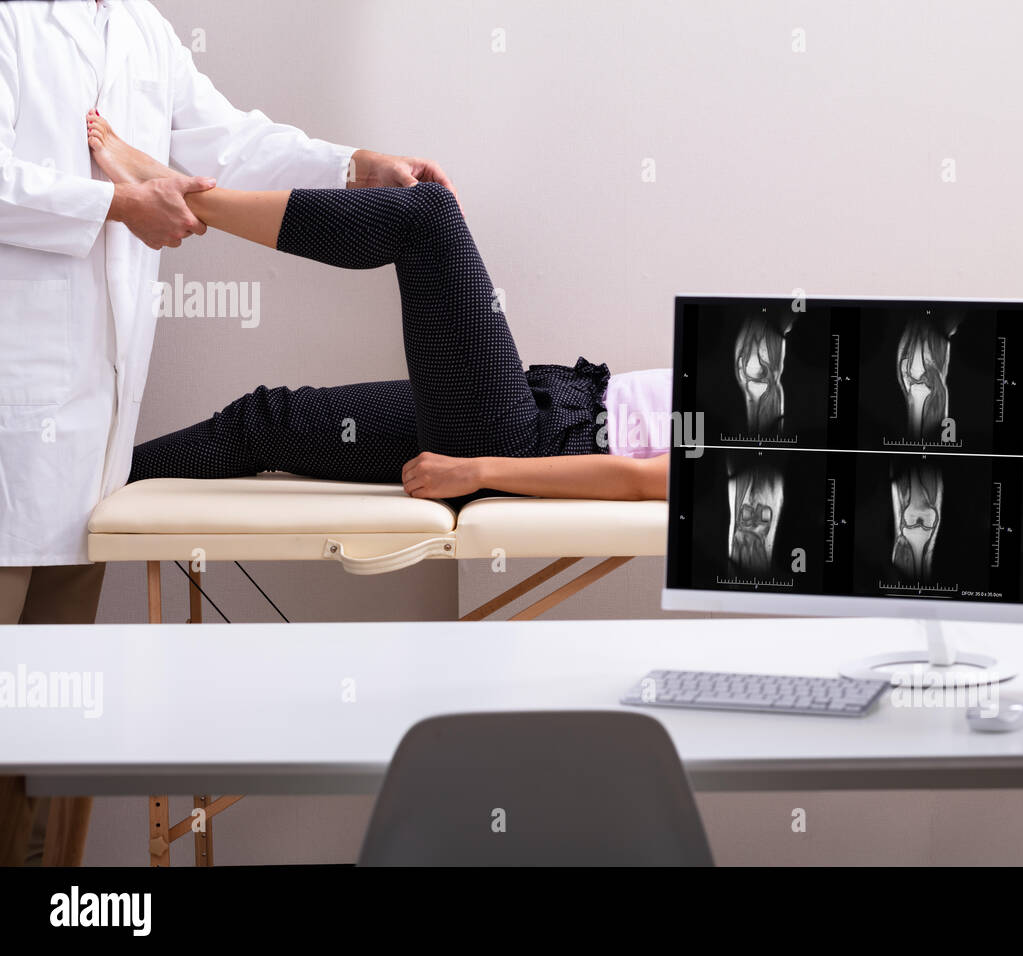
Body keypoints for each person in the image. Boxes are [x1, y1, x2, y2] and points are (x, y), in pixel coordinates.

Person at [0, 0, 454, 866]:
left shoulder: (137, 26)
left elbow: (230, 143)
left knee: (49, 733)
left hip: (85, 448)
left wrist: (353, 166)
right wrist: (113, 204)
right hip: (8, 426)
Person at [85, 113, 673, 501]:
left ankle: (181, 198)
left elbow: (650, 483)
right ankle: (86, 493)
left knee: (428, 215)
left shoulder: (767, 444)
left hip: (532, 446)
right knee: (263, 422)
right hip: (544, 403)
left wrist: (480, 469)